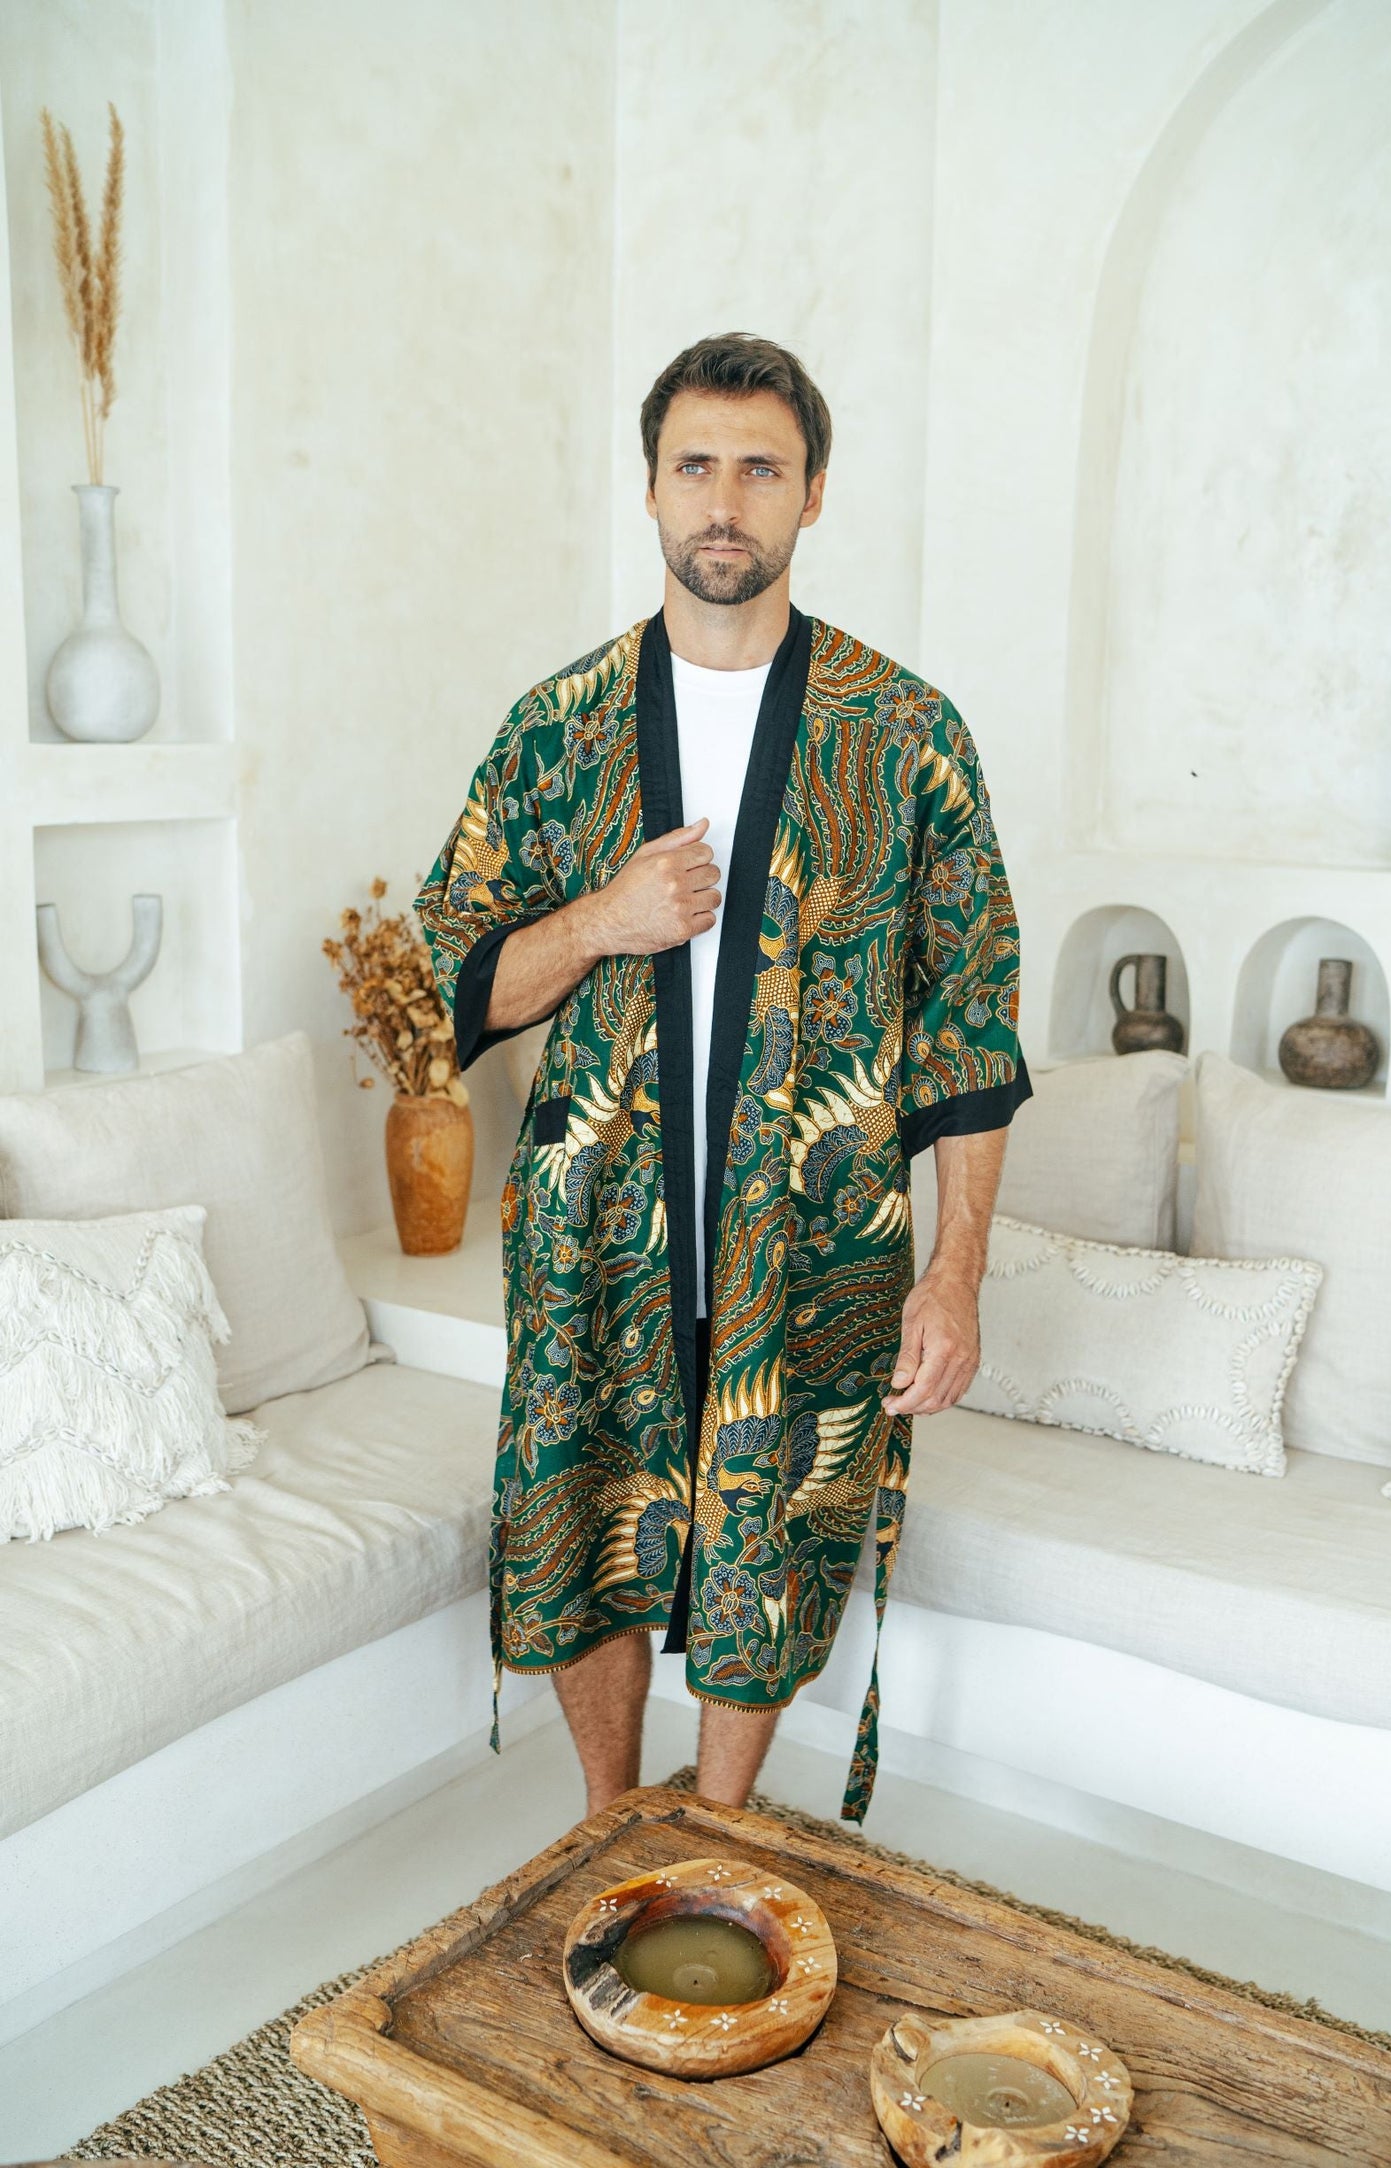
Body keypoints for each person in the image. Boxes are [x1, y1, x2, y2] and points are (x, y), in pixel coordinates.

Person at [414, 332, 1031, 1824]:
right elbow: (462, 981)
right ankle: (607, 1830)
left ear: (813, 494)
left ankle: (719, 1827)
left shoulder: (905, 736)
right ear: (649, 487)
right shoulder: (559, 729)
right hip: (595, 1243)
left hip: (814, 1246)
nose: (724, 500)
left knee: (773, 1549)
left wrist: (954, 1274)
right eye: (695, 464)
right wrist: (601, 920)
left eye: (762, 468)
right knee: (586, 1531)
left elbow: (971, 1031)